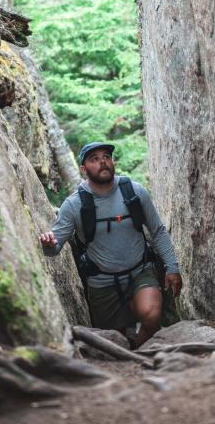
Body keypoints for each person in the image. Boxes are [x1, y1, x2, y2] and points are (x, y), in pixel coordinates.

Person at [39, 142, 183, 348]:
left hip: (140, 271)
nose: (102, 162)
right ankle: (127, 351)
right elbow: (54, 249)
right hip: (102, 282)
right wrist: (48, 243)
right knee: (115, 340)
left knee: (152, 316)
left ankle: (136, 355)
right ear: (84, 169)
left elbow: (158, 230)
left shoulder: (134, 192)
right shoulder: (73, 205)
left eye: (106, 156)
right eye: (94, 159)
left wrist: (172, 267)